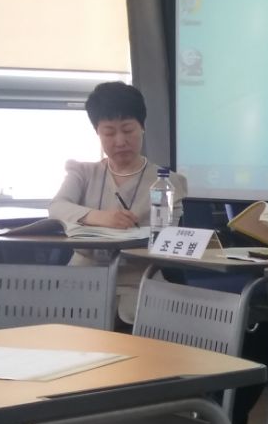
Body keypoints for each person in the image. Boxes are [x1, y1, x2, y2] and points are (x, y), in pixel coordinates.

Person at [50, 82, 187, 325]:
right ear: (97, 132)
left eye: (128, 129)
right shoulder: (82, 172)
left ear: (142, 126)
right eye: (109, 133)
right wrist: (101, 217)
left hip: (140, 285)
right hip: (82, 285)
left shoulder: (168, 182)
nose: (120, 141)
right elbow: (57, 207)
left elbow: (168, 238)